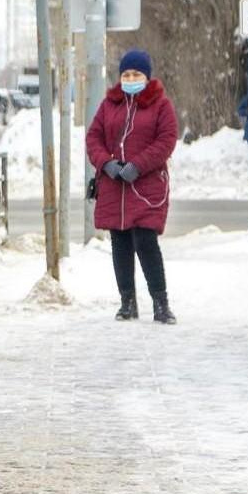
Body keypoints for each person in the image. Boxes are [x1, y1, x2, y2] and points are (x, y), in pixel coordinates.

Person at [86, 50, 179, 325]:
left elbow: (166, 140)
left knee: (145, 241)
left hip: (146, 185)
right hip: (114, 186)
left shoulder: (161, 105)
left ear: (147, 77)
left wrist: (138, 165)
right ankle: (127, 302)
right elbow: (94, 138)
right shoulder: (109, 104)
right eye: (126, 74)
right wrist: (107, 164)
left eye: (136, 74)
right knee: (120, 243)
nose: (130, 79)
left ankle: (161, 303)